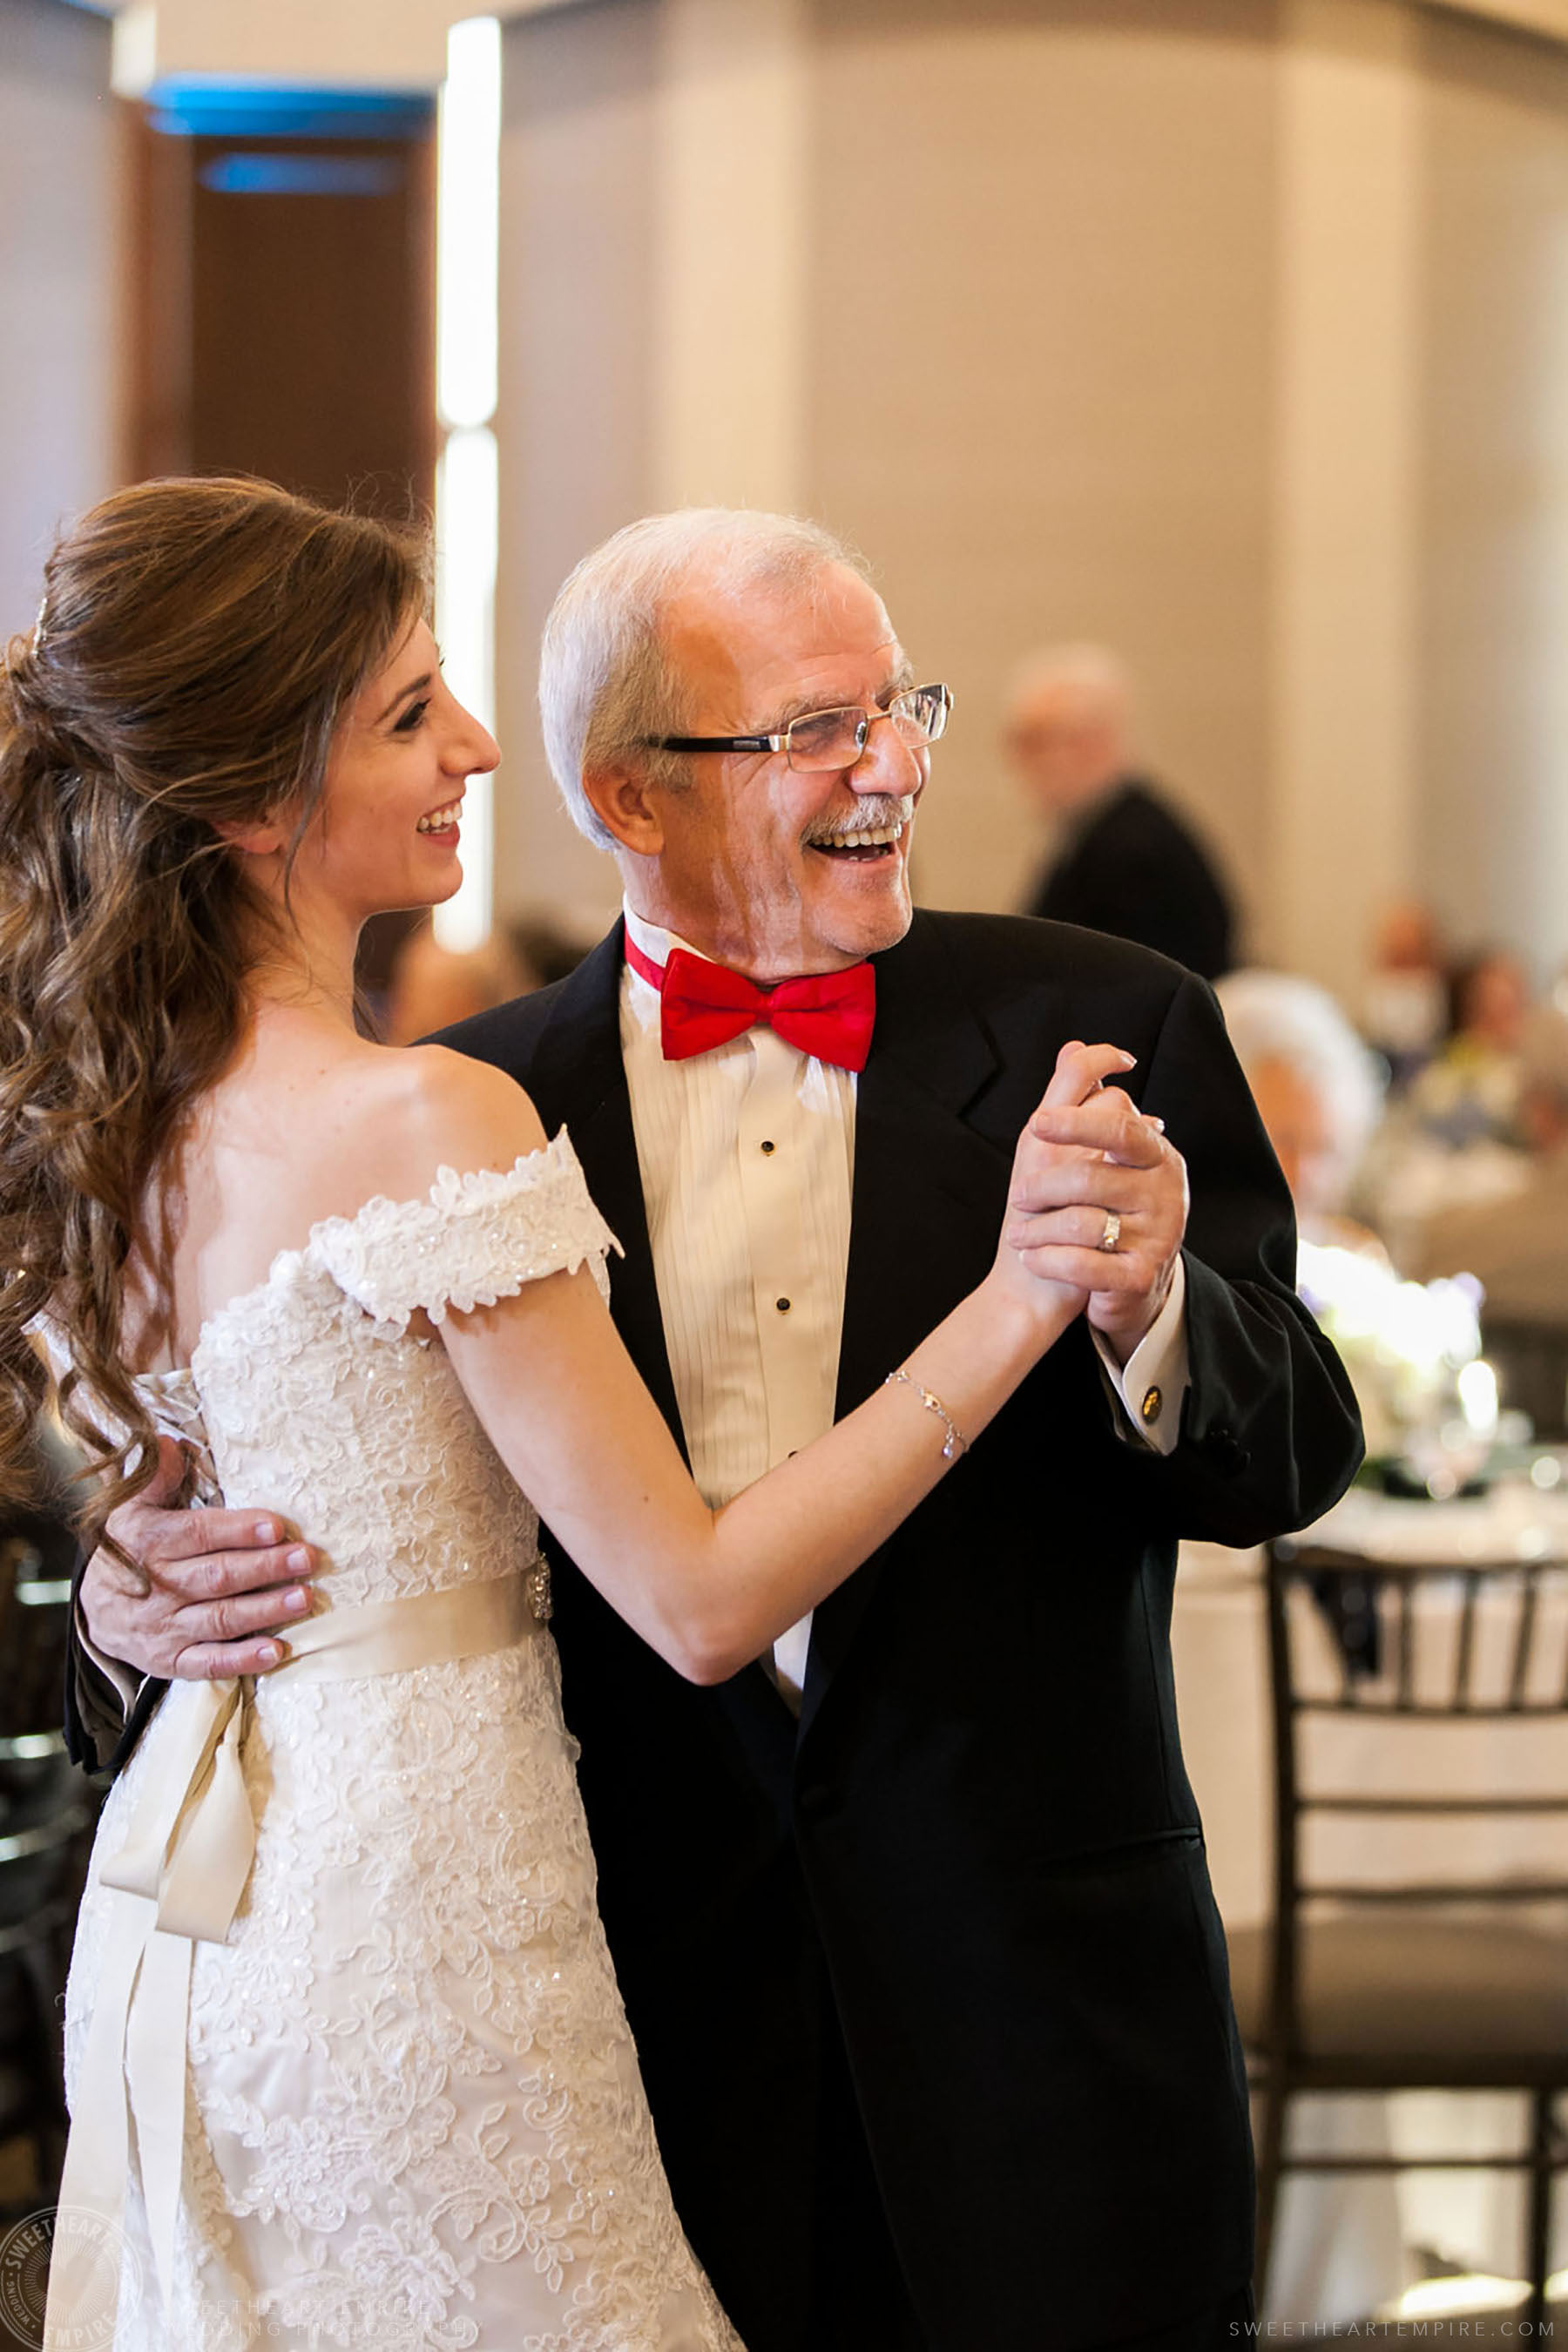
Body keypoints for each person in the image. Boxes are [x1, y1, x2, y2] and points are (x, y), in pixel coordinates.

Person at [74, 507, 1364, 2352]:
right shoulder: (466, 1104)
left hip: (1035, 2019)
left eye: (899, 706)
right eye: (818, 730)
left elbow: (1301, 1448)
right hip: (616, 2022)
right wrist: (119, 1612)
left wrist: (1151, 1305)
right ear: (632, 794)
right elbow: (232, 1512)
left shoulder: (1106, 1022)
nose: (897, 765)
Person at [1006, 641, 1236, 980]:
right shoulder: (1100, 831)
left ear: (1094, 740)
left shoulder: (1135, 852)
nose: (1020, 760)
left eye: (1037, 740)